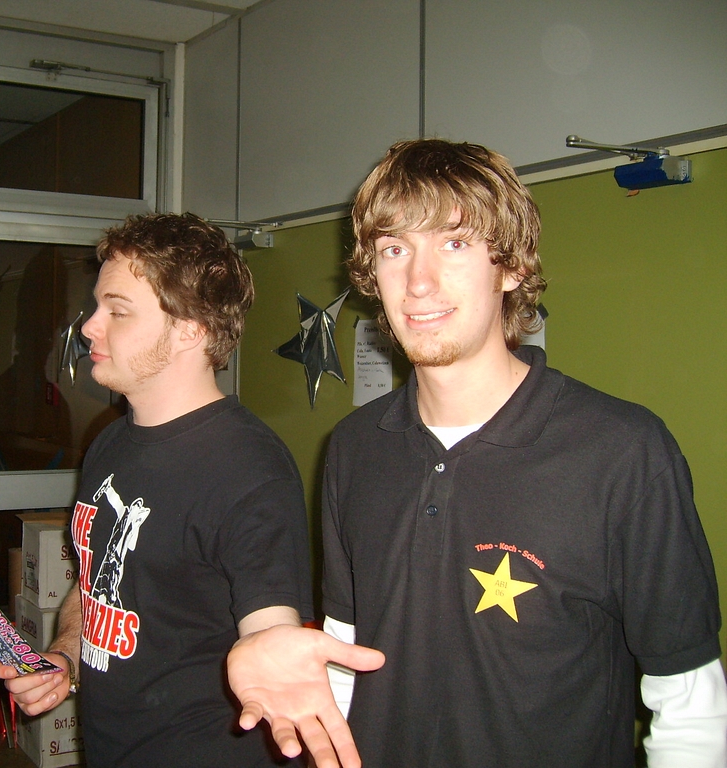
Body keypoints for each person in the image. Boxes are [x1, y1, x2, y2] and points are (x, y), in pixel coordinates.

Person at [227, 139, 727, 768]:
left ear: (510, 267)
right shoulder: (353, 447)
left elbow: (689, 706)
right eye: (394, 249)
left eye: (454, 243)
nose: (418, 282)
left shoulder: (623, 451)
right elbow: (348, 652)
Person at [0, 212, 314, 767]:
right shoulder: (109, 443)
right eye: (97, 307)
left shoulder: (250, 470)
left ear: (191, 328)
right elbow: (95, 585)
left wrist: (279, 659)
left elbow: (271, 624)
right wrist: (64, 660)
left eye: (117, 311)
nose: (89, 327)